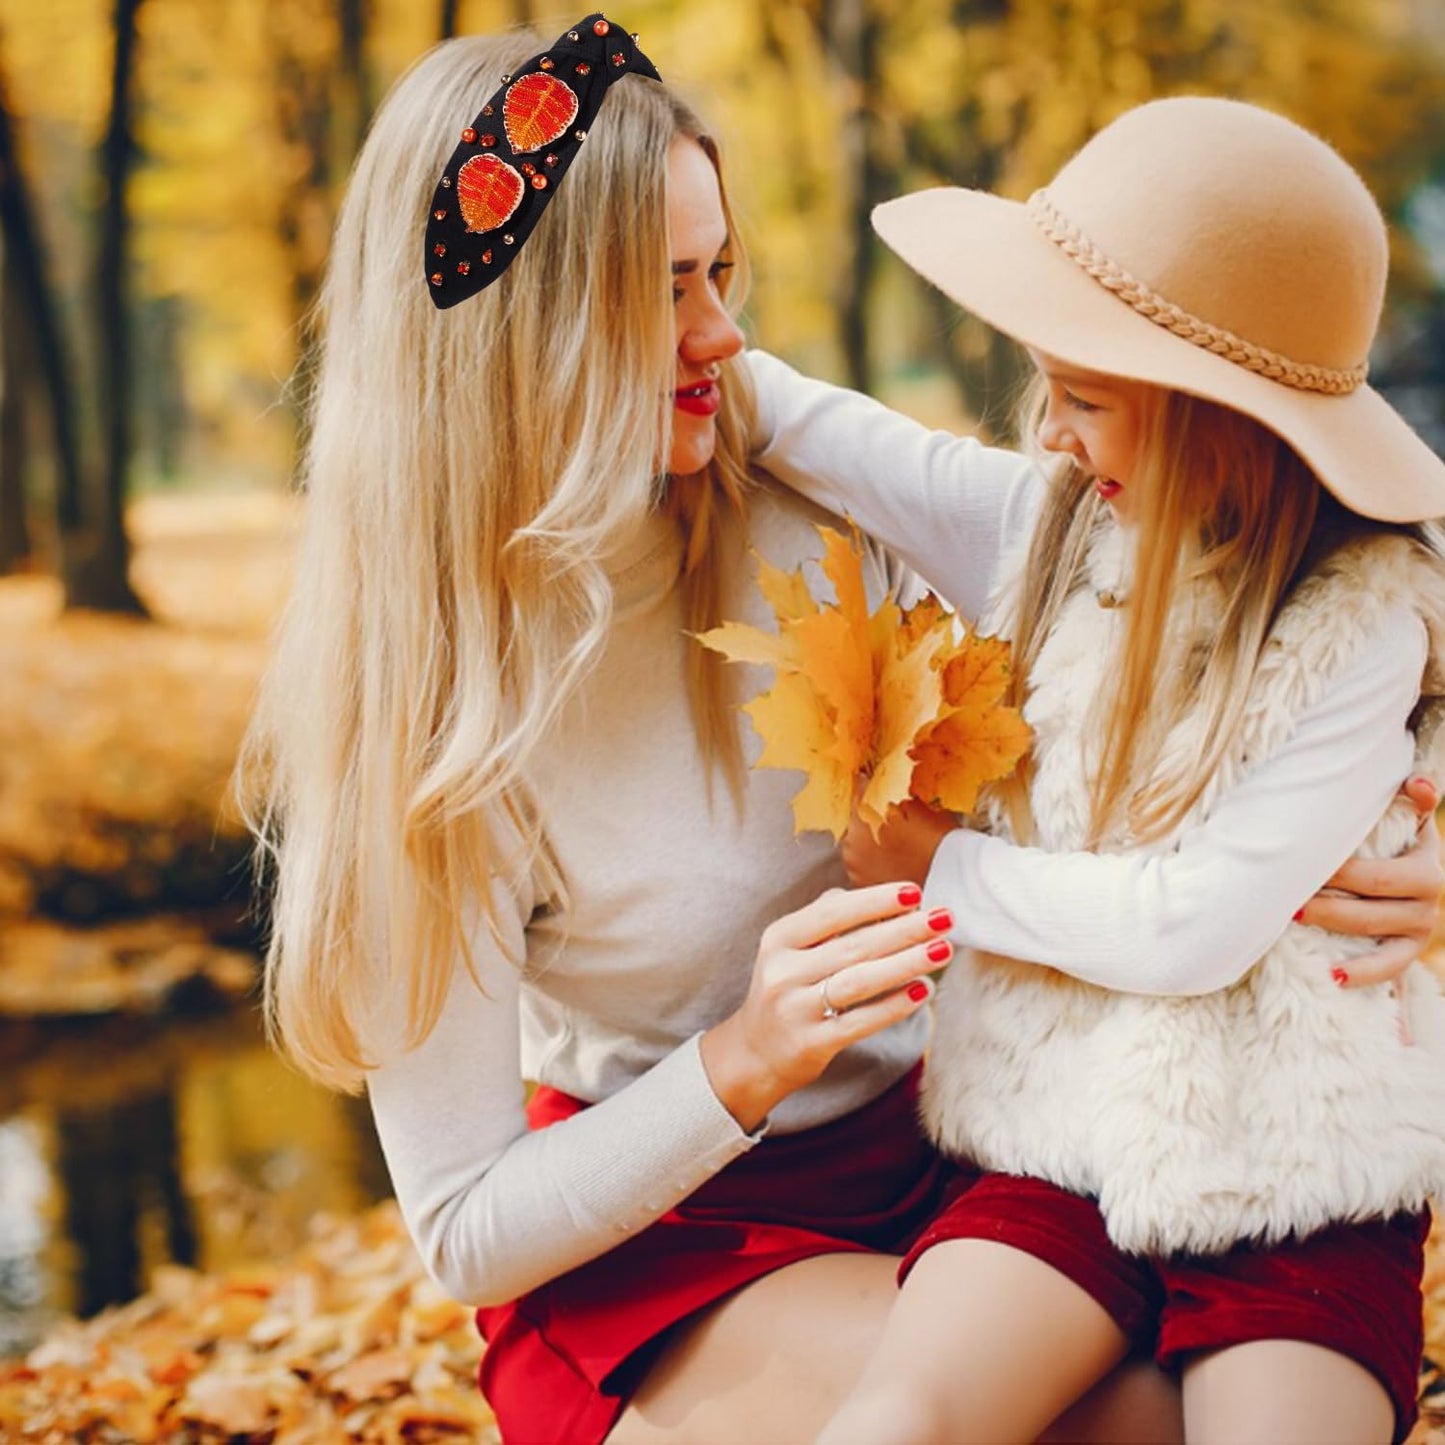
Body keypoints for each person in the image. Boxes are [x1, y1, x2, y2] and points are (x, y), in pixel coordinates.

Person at [238, 21, 1444, 1445]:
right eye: (664, 290)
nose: (724, 334)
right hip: (675, 1223)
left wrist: (1402, 799)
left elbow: (1233, 584)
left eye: (721, 270)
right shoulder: (424, 722)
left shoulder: (800, 498)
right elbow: (463, 1229)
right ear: (528, 330)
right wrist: (743, 1055)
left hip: (980, 1144)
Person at [743, 99, 1445, 1445]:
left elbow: (1195, 923)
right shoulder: (1044, 531)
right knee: (905, 1409)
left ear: (1215, 422)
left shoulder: (1358, 621)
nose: (1049, 430)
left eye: (1083, 399)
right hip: (1046, 1137)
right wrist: (676, 322)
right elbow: (815, 428)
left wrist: (938, 872)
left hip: (1297, 1174)